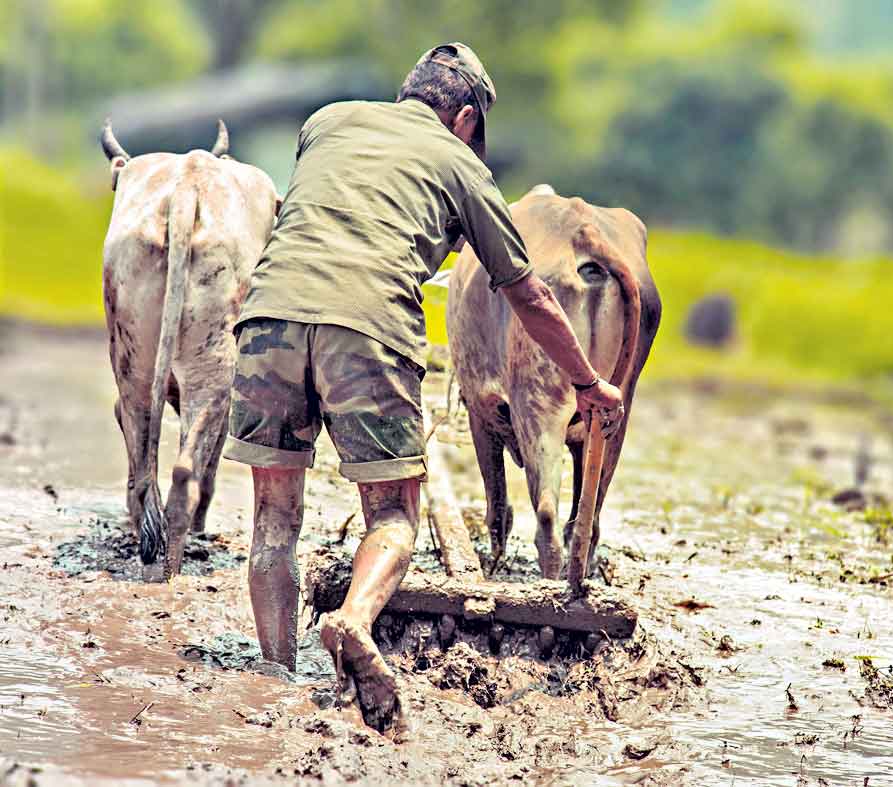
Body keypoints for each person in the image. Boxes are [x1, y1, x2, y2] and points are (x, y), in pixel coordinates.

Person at [222, 43, 623, 734]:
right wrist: (589, 381)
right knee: (393, 517)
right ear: (465, 117)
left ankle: (277, 675)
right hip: (367, 328)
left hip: (267, 318)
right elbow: (525, 291)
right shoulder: (461, 165)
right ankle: (352, 619)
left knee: (272, 522)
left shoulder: (327, 120)